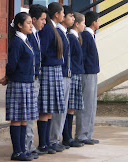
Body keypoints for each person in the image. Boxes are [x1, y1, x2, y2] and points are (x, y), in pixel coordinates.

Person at [5, 12, 37, 161]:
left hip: (27, 83)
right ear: (20, 25)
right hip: (18, 83)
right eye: (28, 23)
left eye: (31, 22)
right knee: (17, 118)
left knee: (24, 118)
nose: (31, 25)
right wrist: (9, 76)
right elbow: (12, 65)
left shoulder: (26, 40)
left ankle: (23, 149)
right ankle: (17, 151)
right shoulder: (17, 42)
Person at [50, 5, 81, 149]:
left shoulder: (64, 34)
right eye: (69, 16)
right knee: (58, 110)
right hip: (61, 74)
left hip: (67, 74)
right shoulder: (58, 33)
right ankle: (53, 140)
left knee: (64, 109)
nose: (72, 19)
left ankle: (60, 138)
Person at [37, 2, 65, 153]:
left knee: (50, 109)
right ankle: (43, 144)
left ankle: (47, 143)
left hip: (54, 70)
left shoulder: (52, 28)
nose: (64, 16)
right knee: (45, 108)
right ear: (56, 14)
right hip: (48, 70)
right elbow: (42, 51)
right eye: (62, 13)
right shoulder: (48, 29)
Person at [26, 4, 48, 158]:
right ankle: (26, 146)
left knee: (33, 113)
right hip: (29, 79)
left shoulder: (36, 34)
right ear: (33, 19)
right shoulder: (27, 36)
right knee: (28, 115)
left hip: (36, 78)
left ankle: (30, 144)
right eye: (42, 19)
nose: (44, 23)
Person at [75, 11, 100, 145]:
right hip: (87, 74)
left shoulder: (90, 35)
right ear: (94, 22)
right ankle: (82, 134)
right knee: (86, 104)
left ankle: (88, 134)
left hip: (91, 73)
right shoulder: (86, 36)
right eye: (98, 20)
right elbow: (82, 56)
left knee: (91, 105)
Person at [62, 12, 86, 146]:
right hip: (73, 74)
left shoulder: (76, 37)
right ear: (76, 24)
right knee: (70, 106)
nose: (84, 25)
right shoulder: (71, 37)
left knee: (72, 107)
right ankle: (66, 137)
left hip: (77, 73)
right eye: (83, 23)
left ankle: (68, 137)